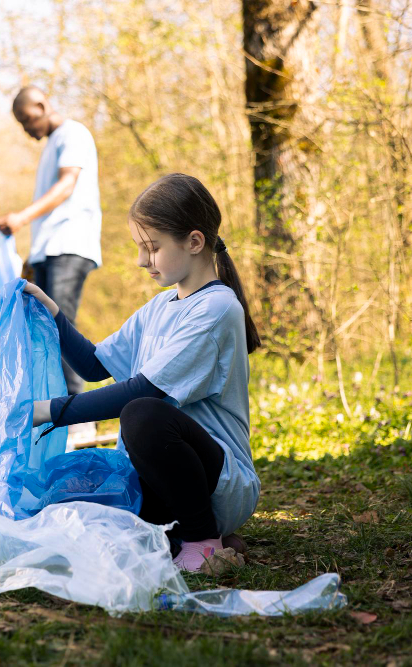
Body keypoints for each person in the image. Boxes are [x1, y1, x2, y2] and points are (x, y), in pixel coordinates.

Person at [25, 174, 261, 572]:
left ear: (195, 241)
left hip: (216, 482)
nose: (140, 260)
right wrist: (50, 312)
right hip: (156, 477)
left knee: (141, 413)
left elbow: (142, 392)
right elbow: (95, 364)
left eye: (151, 248)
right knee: (65, 501)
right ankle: (178, 536)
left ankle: (203, 540)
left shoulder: (217, 309)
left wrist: (45, 410)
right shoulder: (161, 306)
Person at [0, 86, 102, 441]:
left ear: (41, 105)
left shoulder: (73, 133)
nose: (27, 129)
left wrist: (21, 217)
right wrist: (31, 257)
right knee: (43, 334)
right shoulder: (50, 147)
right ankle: (60, 419)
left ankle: (82, 422)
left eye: (27, 119)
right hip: (49, 250)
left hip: (70, 246)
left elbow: (67, 185)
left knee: (61, 331)